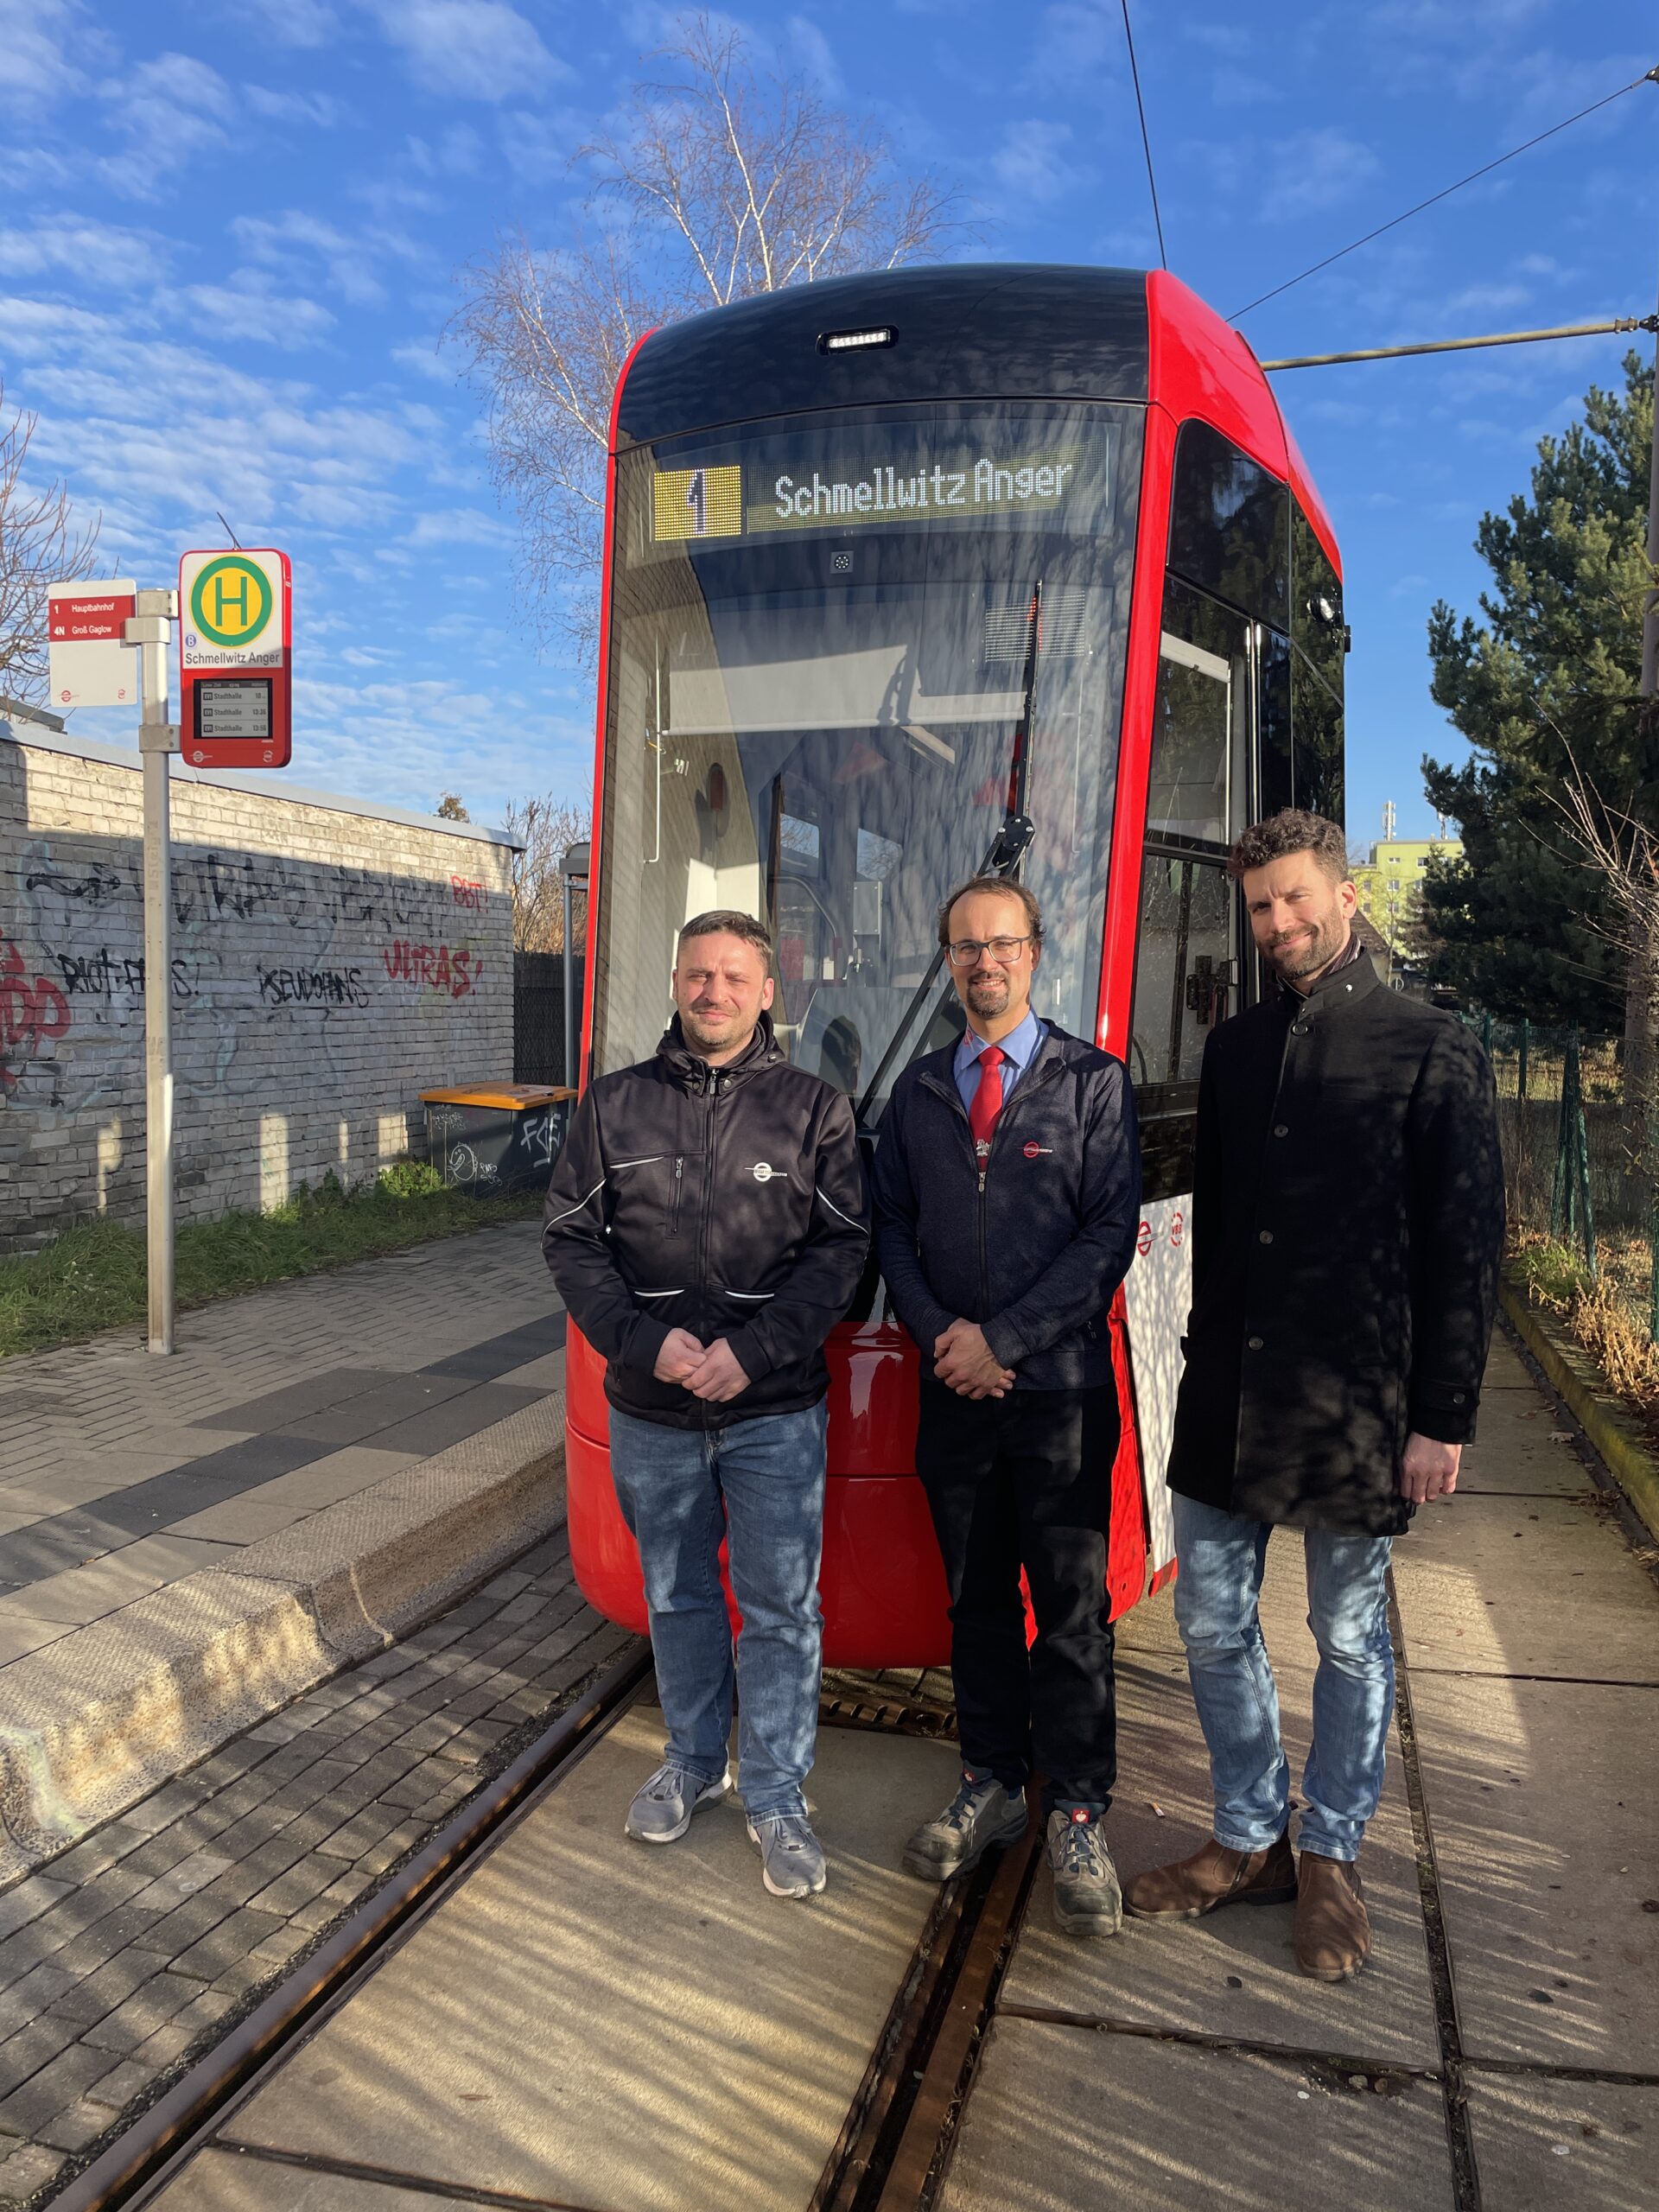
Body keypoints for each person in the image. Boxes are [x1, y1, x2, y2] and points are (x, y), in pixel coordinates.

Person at [1123, 810, 1503, 1980]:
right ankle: (1249, 1838)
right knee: (1209, 1620)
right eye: (1259, 908)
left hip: (1358, 1401)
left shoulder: (1430, 1044)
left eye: (1295, 899)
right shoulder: (1234, 1050)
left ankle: (1330, 1852)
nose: (1278, 924)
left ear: (1345, 897)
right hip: (1231, 1389)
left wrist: (1443, 1417)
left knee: (1347, 1635)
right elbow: (1218, 1224)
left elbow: (1466, 1245)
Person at [542, 910, 869, 1901]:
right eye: (697, 974)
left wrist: (754, 1351)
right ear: (676, 984)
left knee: (779, 1609)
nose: (713, 990)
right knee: (677, 1597)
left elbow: (845, 1252)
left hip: (774, 1411)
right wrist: (646, 1344)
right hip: (652, 1411)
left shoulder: (818, 1112)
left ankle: (775, 1793)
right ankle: (691, 1760)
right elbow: (569, 1239)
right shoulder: (611, 1108)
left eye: (734, 975)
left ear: (771, 992)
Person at [873, 874, 1141, 1938]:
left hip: (1063, 1397)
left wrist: (1005, 1342)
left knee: (1072, 1612)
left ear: (1035, 953)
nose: (985, 962)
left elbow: (1105, 1240)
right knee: (974, 1603)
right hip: (957, 1395)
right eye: (966, 948)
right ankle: (990, 1777)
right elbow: (891, 1226)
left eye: (1003, 943)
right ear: (949, 964)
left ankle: (1076, 1808)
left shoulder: (1094, 1085)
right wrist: (946, 1335)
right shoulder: (919, 1093)